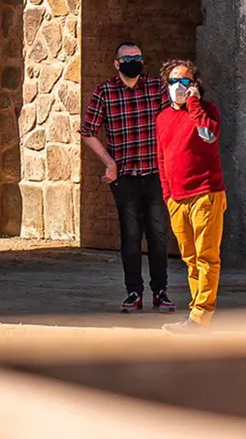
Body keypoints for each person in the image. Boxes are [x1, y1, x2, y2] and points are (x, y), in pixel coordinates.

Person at [81, 41, 174, 313]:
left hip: (156, 174)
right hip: (125, 177)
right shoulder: (105, 92)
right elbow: (88, 130)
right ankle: (133, 292)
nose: (133, 60)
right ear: (116, 63)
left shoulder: (156, 88)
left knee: (158, 235)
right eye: (127, 57)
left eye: (137, 57)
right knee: (130, 235)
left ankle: (161, 291)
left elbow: (172, 123)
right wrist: (109, 163)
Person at [156, 58, 224, 332]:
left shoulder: (207, 110)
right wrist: (168, 195)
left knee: (207, 256)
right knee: (190, 258)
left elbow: (208, 134)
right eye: (174, 81)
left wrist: (194, 104)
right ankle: (197, 311)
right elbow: (162, 159)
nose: (179, 86)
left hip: (206, 193)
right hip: (177, 198)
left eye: (185, 81)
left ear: (195, 85)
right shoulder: (162, 118)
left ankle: (200, 316)